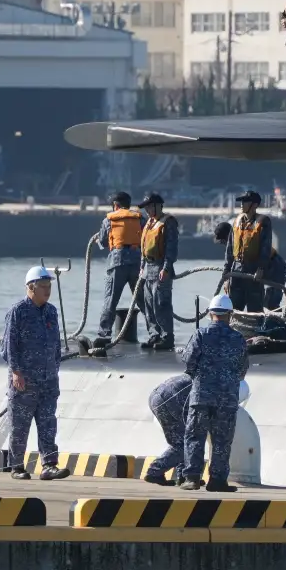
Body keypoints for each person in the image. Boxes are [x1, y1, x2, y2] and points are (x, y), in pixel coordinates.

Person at [1, 266, 71, 480]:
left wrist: (55, 368)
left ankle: (49, 465)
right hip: (25, 381)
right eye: (43, 287)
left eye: (49, 286)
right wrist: (16, 372)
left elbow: (56, 344)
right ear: (31, 288)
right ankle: (17, 467)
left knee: (48, 423)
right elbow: (9, 346)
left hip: (48, 380)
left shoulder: (51, 311)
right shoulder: (18, 312)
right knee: (20, 426)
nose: (47, 290)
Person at [181, 293, 249, 492]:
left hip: (201, 396)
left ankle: (192, 478)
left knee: (195, 436)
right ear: (230, 314)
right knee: (222, 440)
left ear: (210, 313)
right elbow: (242, 369)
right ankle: (217, 481)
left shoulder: (201, 334)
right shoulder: (238, 338)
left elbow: (188, 362)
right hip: (227, 398)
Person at [93, 190, 143, 347]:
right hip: (137, 262)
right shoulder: (140, 218)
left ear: (115, 205)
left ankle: (104, 334)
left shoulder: (109, 220)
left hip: (117, 262)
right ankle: (156, 334)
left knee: (110, 300)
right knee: (143, 300)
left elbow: (103, 241)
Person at [220, 191, 274, 314]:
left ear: (254, 205)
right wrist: (226, 274)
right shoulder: (236, 221)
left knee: (255, 311)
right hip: (237, 271)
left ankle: (254, 332)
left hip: (253, 271)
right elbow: (230, 249)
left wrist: (261, 269)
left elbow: (265, 248)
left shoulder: (263, 222)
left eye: (245, 201)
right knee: (233, 310)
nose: (242, 204)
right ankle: (234, 332)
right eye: (241, 201)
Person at [138, 192, 179, 350]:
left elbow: (171, 247)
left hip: (161, 267)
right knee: (149, 303)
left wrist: (166, 267)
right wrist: (142, 266)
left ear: (158, 206)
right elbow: (144, 248)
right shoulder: (149, 223)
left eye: (149, 206)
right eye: (146, 207)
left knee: (161, 303)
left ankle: (167, 337)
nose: (147, 210)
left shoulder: (168, 222)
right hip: (148, 268)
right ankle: (154, 334)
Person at [143, 373, 193, 485]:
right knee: (185, 444)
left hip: (158, 396)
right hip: (172, 399)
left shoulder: (204, 372)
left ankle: (183, 477)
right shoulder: (217, 382)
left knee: (182, 440)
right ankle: (154, 472)